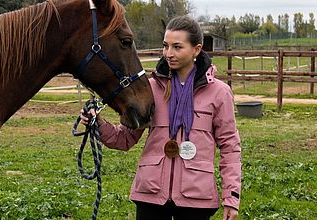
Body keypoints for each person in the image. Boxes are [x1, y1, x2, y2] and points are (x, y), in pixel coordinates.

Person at [81, 15, 241, 220]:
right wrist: (98, 124)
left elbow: (230, 147)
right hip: (151, 195)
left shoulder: (219, 93)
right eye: (166, 46)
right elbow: (125, 139)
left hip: (197, 196)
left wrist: (231, 197)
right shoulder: (150, 89)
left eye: (177, 47)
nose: (169, 53)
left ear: (196, 49)